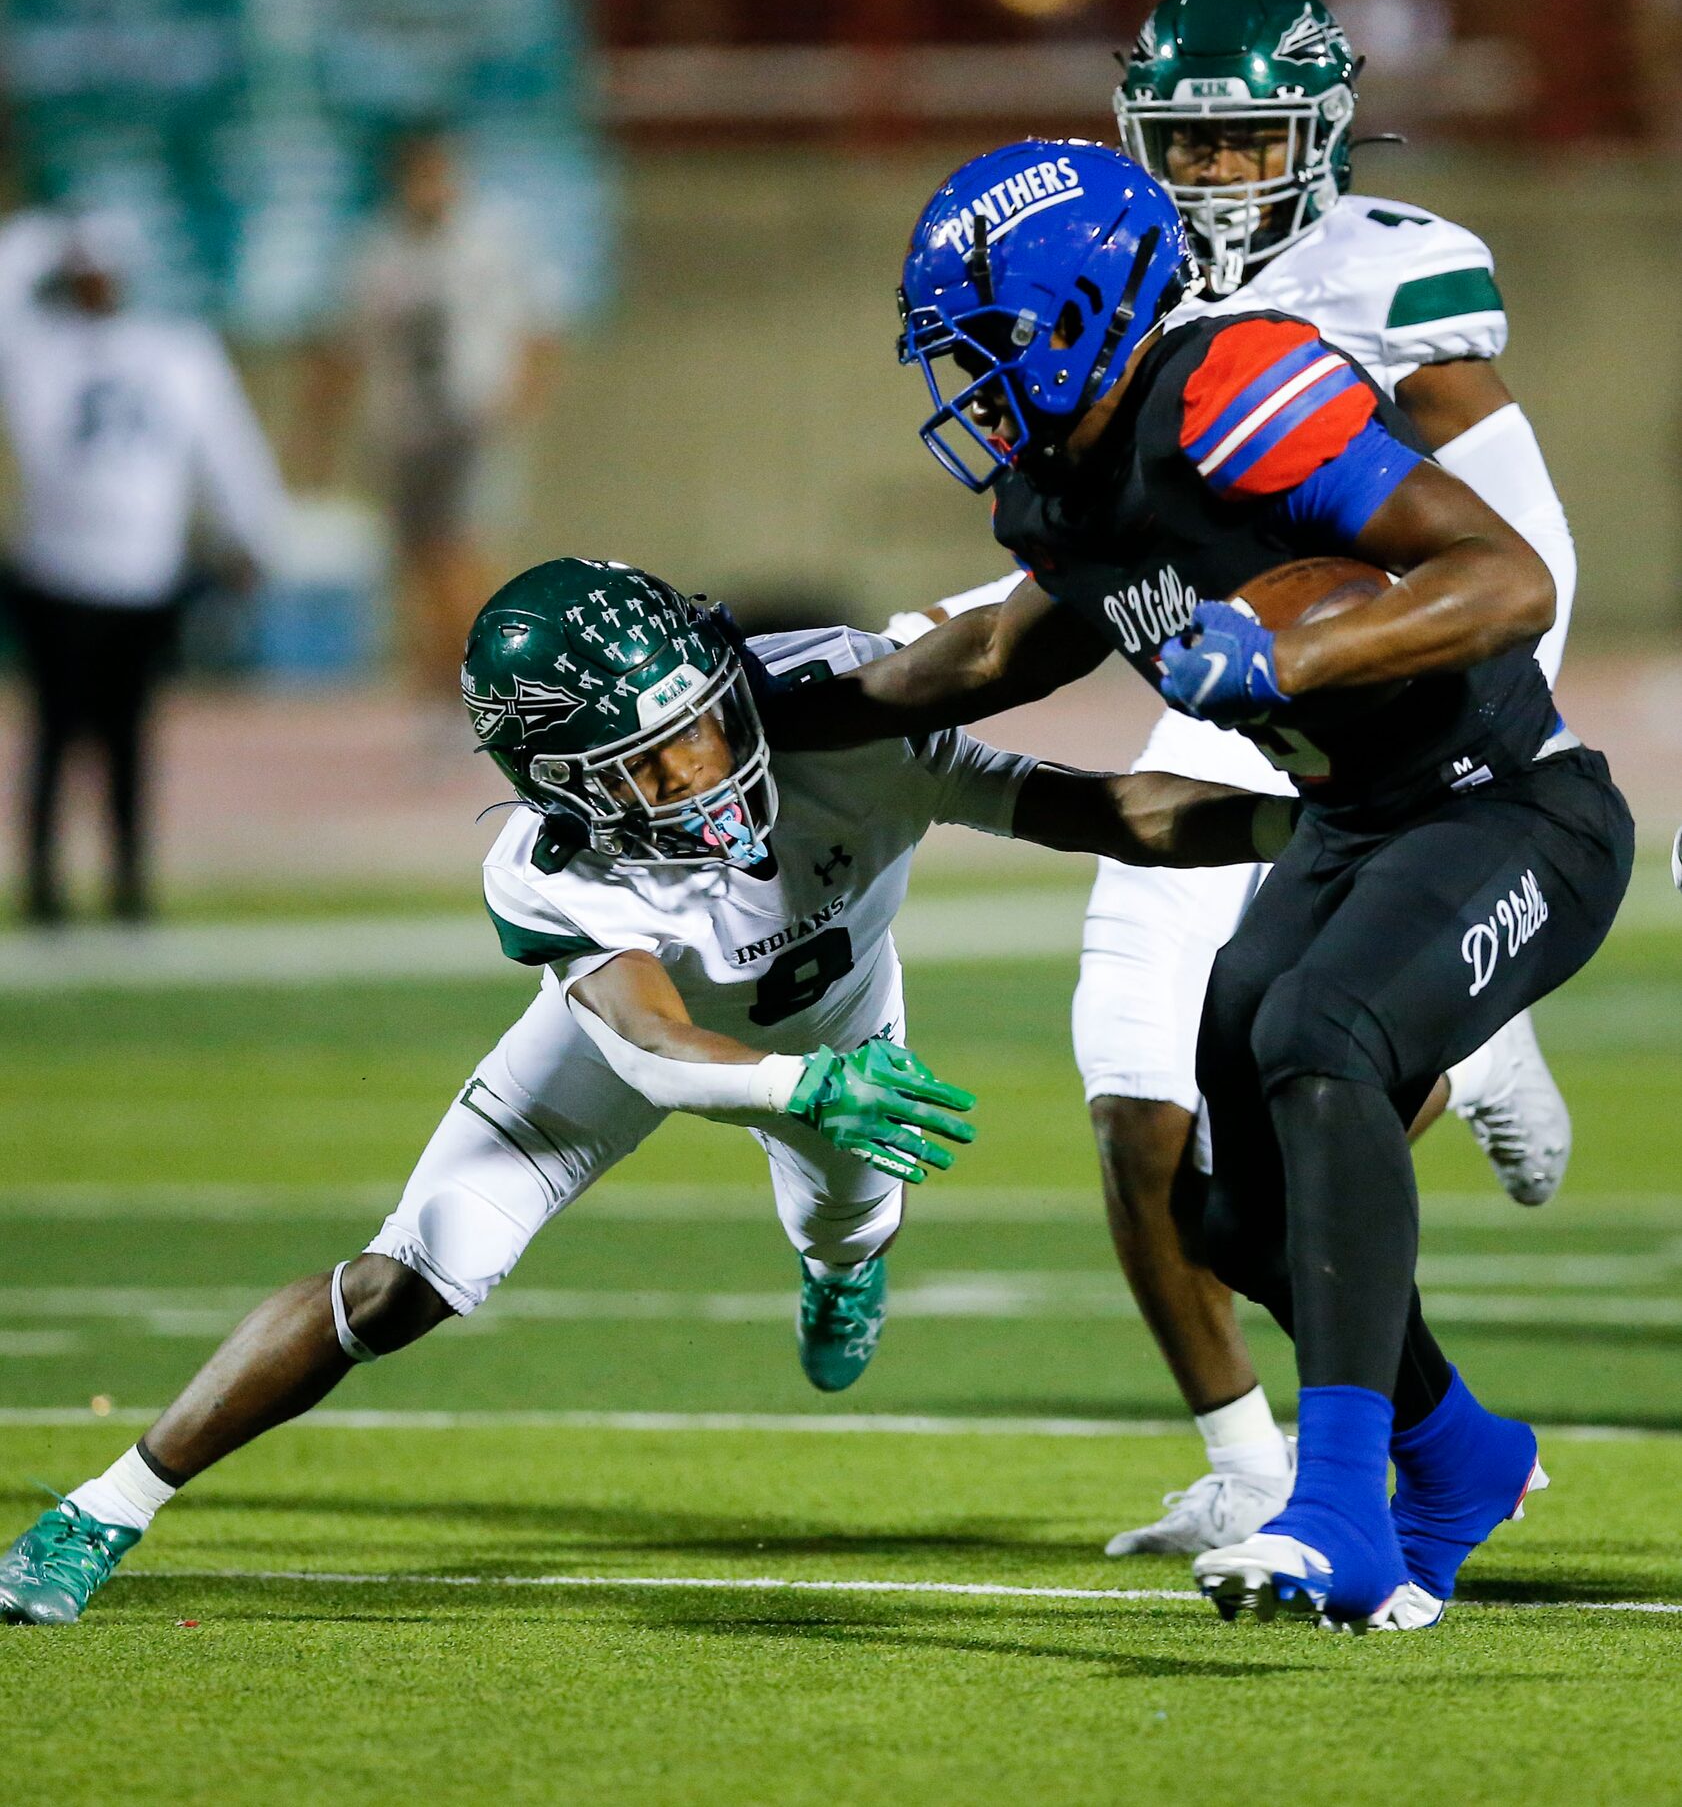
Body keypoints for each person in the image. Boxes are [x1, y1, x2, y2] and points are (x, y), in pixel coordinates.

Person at [0, 555, 1299, 1627]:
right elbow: (649, 1043)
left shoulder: (835, 720)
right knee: (406, 1274)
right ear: (567, 786)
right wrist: (809, 1083)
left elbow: (1095, 807)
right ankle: (101, 1507)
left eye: (707, 726)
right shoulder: (549, 865)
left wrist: (1295, 826)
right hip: (666, 1053)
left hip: (843, 1026)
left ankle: (841, 1262)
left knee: (850, 1227)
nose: (710, 767)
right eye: (657, 764)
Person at [774, 141, 1633, 1629]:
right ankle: (1460, 1454)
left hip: (1513, 808)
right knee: (1225, 1210)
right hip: (1349, 823)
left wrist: (1286, 654)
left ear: (1075, 314)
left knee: (1320, 1036)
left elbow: (1505, 581)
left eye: (981, 350)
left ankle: (1339, 1508)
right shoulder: (1070, 490)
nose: (967, 393)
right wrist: (769, 705)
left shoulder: (1232, 386)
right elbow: (977, 662)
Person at [0, 213, 287, 925]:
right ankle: (44, 891)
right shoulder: (40, 347)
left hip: (140, 574)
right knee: (54, 741)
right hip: (57, 572)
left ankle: (129, 886)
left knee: (129, 742)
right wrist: (40, 235)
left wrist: (253, 532)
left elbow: (226, 446)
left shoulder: (175, 350)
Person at [301, 125, 562, 736]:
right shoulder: (377, 253)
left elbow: (541, 327)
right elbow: (343, 348)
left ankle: (481, 685)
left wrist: (518, 404)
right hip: (404, 428)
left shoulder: (493, 241)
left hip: (469, 422)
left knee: (460, 553)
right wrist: (317, 435)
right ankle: (446, 684)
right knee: (419, 561)